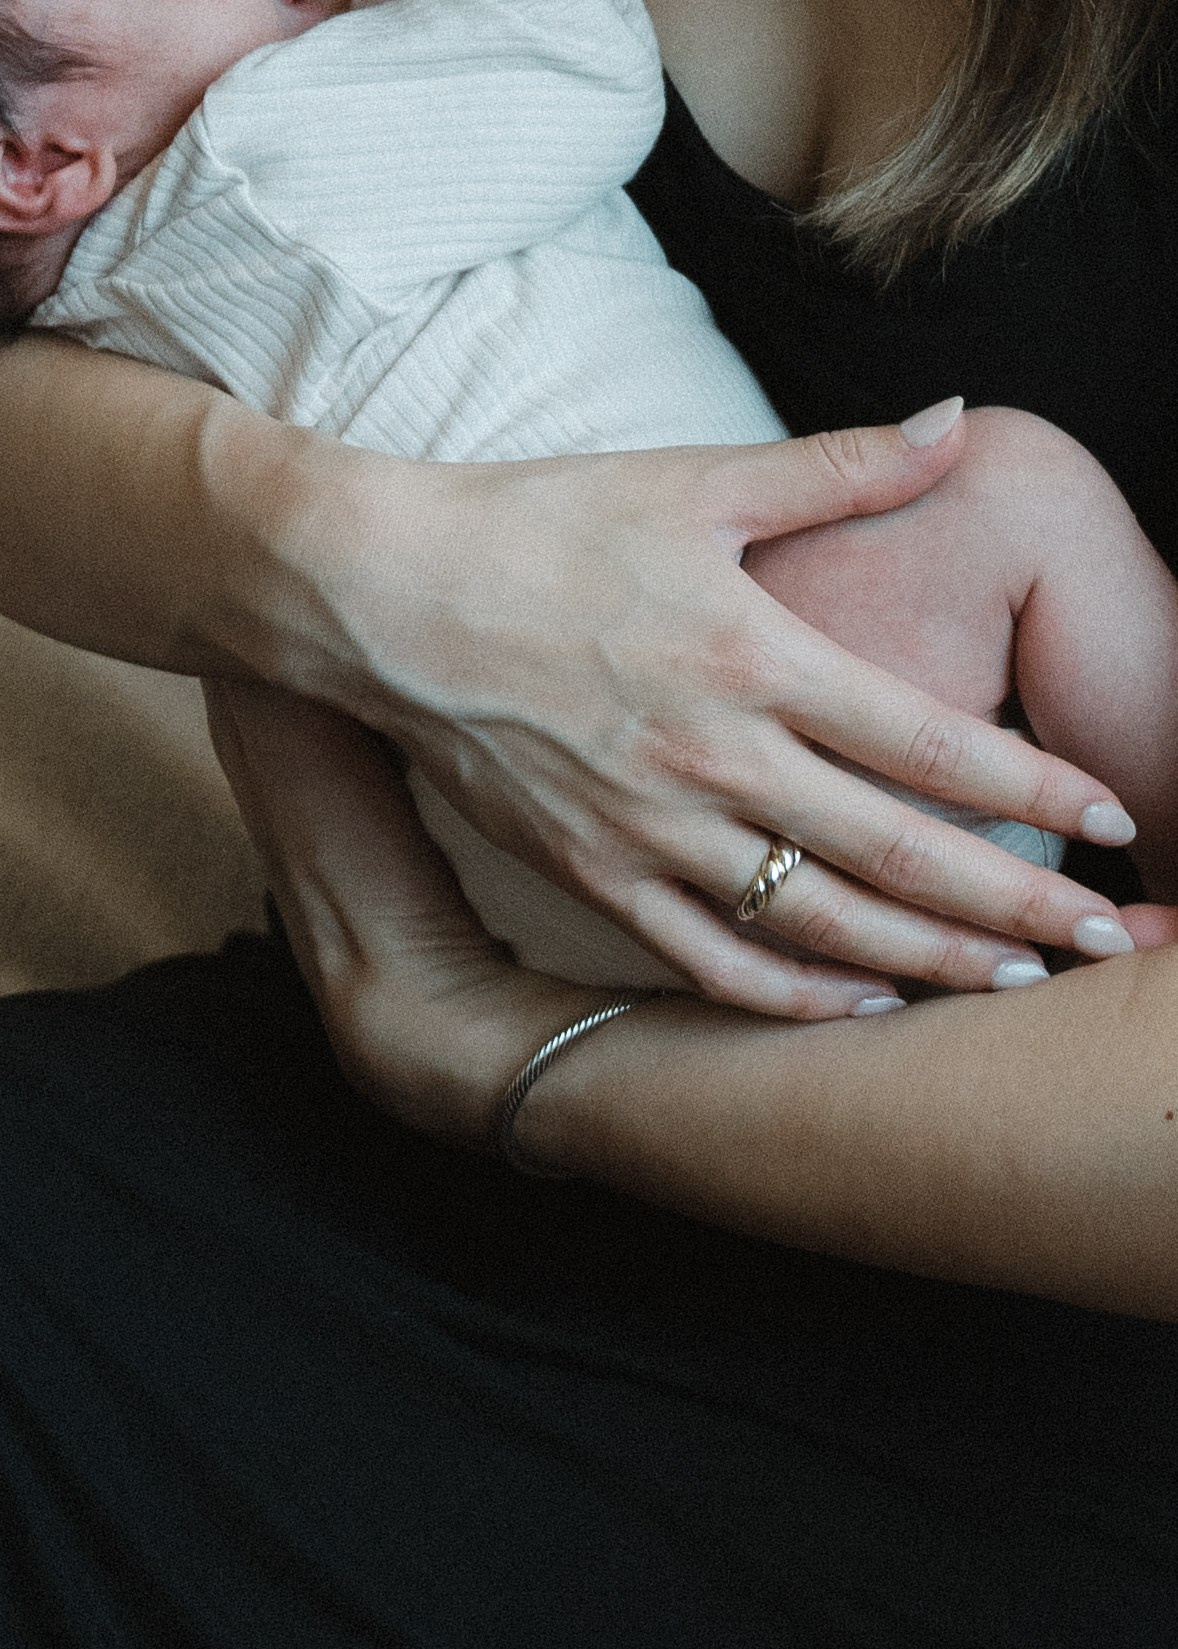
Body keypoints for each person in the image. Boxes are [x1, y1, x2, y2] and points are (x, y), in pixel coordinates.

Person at [0, 0, 1177, 1642]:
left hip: (811, 1114)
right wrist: (348, 562)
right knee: (1015, 483)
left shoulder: (117, 250)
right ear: (41, 166)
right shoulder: (301, 129)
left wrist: (494, 1050)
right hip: (753, 897)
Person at [5, 0, 1174, 993]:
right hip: (785, 754)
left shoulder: (94, 312)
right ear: (37, 166)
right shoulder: (265, 151)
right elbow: (595, 65)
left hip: (512, 900)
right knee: (1017, 485)